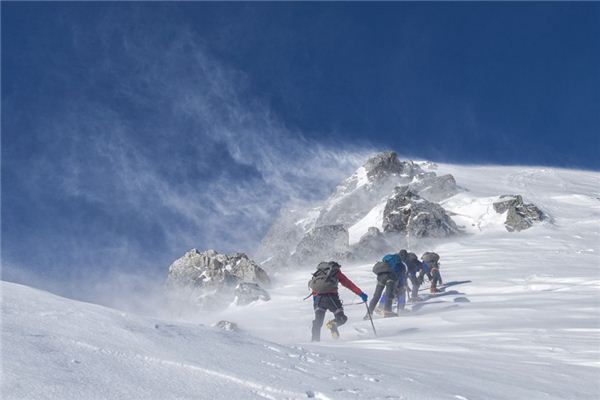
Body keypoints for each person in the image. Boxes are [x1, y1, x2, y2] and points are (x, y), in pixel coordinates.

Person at [308, 261, 368, 342]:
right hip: (332, 299)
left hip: (318, 300)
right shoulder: (335, 272)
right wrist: (361, 294)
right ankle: (333, 324)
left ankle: (315, 341)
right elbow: (349, 284)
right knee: (341, 318)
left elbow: (314, 290)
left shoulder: (318, 273)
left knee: (318, 322)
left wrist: (315, 304)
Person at [366, 250, 406, 318]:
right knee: (389, 295)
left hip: (381, 276)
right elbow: (400, 277)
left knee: (376, 296)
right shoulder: (401, 265)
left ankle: (369, 313)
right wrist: (401, 286)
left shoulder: (389, 258)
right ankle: (387, 312)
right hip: (390, 277)